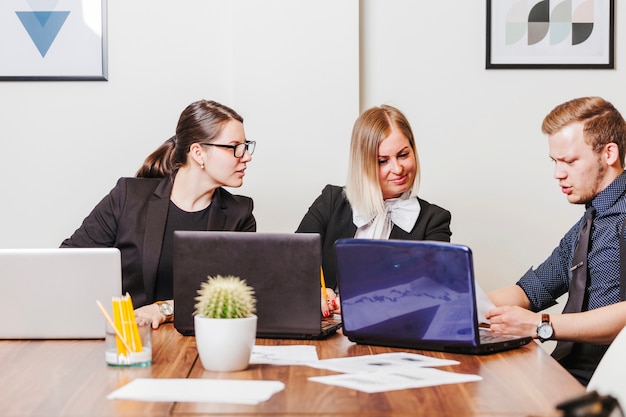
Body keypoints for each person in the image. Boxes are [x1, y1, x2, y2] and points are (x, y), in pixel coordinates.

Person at [61, 99, 256, 329]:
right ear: (198, 153)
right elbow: (68, 262)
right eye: (235, 147)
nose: (246, 156)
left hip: (198, 345)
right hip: (129, 341)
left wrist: (165, 308)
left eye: (246, 146)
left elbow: (239, 298)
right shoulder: (127, 198)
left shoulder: (239, 216)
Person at [487, 96, 626, 386]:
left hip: (609, 386)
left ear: (609, 153)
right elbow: (531, 291)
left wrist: (541, 325)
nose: (558, 174)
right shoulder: (590, 221)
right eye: (555, 161)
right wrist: (457, 307)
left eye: (570, 161)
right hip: (566, 376)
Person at [296, 104, 452, 317]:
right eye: (382, 161)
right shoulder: (331, 201)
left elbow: (432, 296)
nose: (397, 169)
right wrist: (312, 291)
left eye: (403, 155)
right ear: (363, 164)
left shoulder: (434, 221)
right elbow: (292, 264)